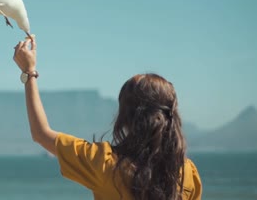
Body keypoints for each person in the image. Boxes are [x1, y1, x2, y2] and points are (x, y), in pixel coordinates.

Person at [13, 38, 202, 200]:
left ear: (127, 116)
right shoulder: (186, 173)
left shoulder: (104, 163)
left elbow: (41, 133)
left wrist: (29, 72)